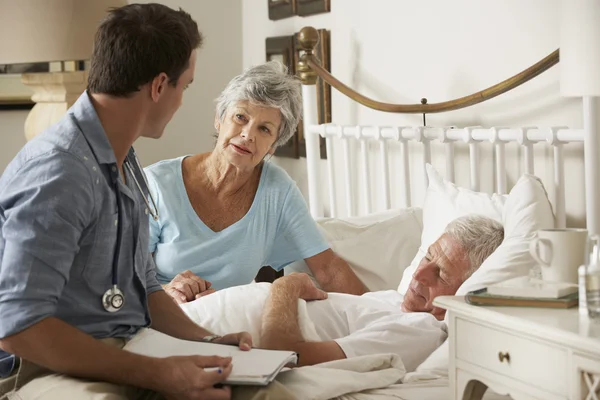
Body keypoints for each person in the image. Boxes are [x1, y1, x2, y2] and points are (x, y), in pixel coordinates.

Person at [0, 4, 251, 400]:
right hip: (45, 369)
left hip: (127, 349)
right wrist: (156, 374)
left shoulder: (123, 159)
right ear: (158, 86)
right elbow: (18, 326)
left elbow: (145, 288)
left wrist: (210, 341)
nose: (182, 101)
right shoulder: (60, 173)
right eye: (184, 87)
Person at [144, 61, 367, 303]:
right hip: (159, 314)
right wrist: (169, 291)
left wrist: (381, 315)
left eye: (264, 129)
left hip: (229, 321)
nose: (248, 134)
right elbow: (121, 278)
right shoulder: (157, 183)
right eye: (240, 117)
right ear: (219, 118)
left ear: (272, 146)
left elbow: (327, 268)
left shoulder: (277, 190)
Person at [181, 215, 504, 373]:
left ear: (466, 293)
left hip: (212, 338)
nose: (418, 275)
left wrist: (287, 286)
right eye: (427, 257)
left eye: (442, 274)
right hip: (197, 320)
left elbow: (285, 355)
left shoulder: (421, 331)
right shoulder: (391, 300)